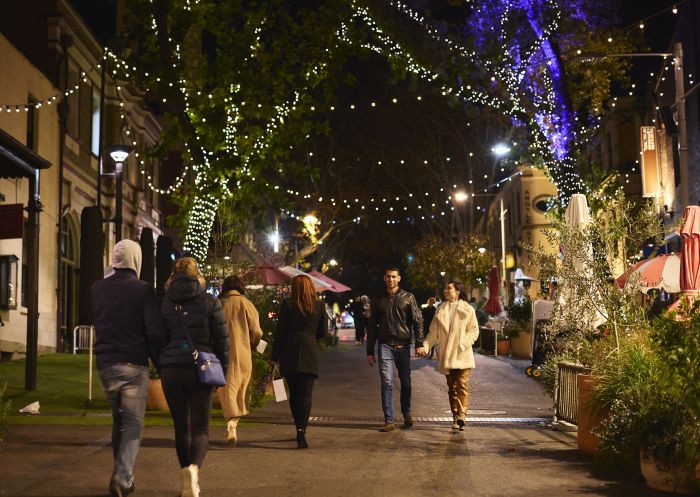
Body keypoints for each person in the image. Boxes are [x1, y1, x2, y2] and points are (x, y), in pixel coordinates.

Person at [92, 239, 165, 497]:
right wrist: (160, 364)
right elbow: (154, 330)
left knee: (119, 421)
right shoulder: (143, 289)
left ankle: (123, 475)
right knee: (133, 424)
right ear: (136, 259)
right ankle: (122, 477)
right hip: (133, 364)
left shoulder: (97, 288)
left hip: (105, 364)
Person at [159, 257, 229, 497]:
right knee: (200, 427)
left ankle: (184, 473)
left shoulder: (166, 303)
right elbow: (222, 340)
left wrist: (162, 363)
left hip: (172, 368)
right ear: (197, 274)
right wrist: (224, 373)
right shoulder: (210, 302)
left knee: (181, 426)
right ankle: (194, 471)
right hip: (201, 367)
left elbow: (158, 338)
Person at [271, 275, 328, 448]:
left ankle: (298, 426)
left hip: (290, 351)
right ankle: (302, 431)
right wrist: (310, 337)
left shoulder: (288, 305)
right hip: (310, 352)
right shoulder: (319, 306)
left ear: (294, 288)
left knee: (294, 393)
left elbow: (280, 332)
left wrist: (274, 356)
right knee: (306, 394)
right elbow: (323, 332)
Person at [367, 266, 424, 432]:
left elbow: (418, 321)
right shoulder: (378, 299)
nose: (391, 279)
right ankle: (389, 420)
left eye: (394, 277)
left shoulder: (408, 297)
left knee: (406, 383)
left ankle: (406, 412)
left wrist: (419, 343)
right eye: (388, 277)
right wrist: (369, 351)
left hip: (403, 346)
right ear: (384, 278)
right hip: (385, 345)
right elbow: (372, 327)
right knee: (387, 382)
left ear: (399, 279)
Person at [417, 280, 479, 432]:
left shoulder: (468, 309)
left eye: (449, 288)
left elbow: (474, 330)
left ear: (457, 291)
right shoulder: (440, 310)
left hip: (462, 354)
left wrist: (463, 343)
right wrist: (425, 346)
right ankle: (455, 416)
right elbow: (433, 333)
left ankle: (462, 415)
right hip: (447, 355)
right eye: (446, 288)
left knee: (462, 385)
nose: (446, 290)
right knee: (452, 387)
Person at [218, 275, 263, 446]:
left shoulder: (221, 304)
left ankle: (231, 422)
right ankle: (233, 422)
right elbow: (257, 332)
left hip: (223, 353)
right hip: (243, 352)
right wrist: (253, 343)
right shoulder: (246, 304)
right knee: (240, 388)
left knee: (227, 388)